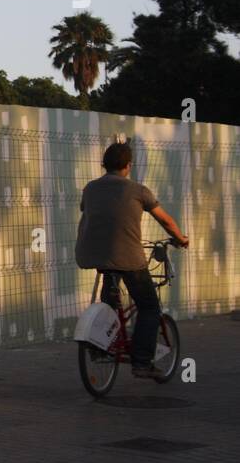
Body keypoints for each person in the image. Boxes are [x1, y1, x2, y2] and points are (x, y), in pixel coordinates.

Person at [75, 142, 188, 377]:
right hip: (128, 258)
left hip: (95, 255)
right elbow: (165, 221)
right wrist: (181, 239)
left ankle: (100, 346)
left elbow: (90, 210)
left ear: (104, 165)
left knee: (110, 303)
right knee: (149, 307)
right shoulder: (138, 190)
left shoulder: (90, 188)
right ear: (128, 166)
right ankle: (141, 362)